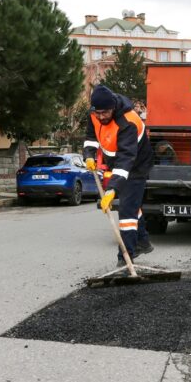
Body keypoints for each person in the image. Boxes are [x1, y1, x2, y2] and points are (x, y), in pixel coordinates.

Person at [83, 84, 154, 266]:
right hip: (117, 163)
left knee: (126, 211)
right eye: (97, 113)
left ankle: (125, 257)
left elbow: (126, 159)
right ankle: (143, 242)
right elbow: (91, 137)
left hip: (136, 164)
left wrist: (112, 190)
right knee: (132, 204)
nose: (101, 117)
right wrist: (89, 156)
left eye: (105, 113)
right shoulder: (94, 114)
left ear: (113, 108)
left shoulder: (127, 122)